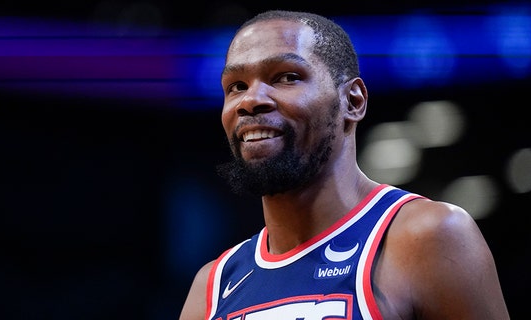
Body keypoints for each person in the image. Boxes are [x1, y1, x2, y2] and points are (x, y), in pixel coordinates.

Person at [179, 9, 510, 319]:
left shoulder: (427, 235)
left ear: (352, 101)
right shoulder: (212, 286)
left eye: (286, 77)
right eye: (236, 86)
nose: (250, 100)